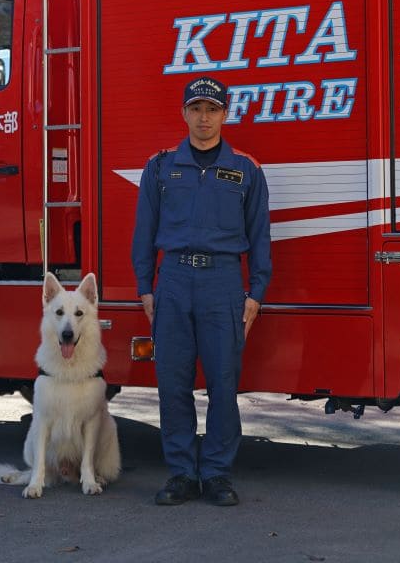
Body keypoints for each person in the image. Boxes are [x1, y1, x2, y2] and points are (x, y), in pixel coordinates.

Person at [131, 75, 271, 508]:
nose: (204, 117)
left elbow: (260, 235)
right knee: (172, 383)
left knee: (223, 384)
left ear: (225, 114)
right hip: (172, 281)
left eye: (212, 109)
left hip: (223, 284)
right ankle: (181, 474)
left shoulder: (246, 169)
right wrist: (145, 288)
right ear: (184, 114)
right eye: (196, 109)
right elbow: (144, 232)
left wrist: (256, 292)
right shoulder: (160, 166)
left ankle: (216, 474)